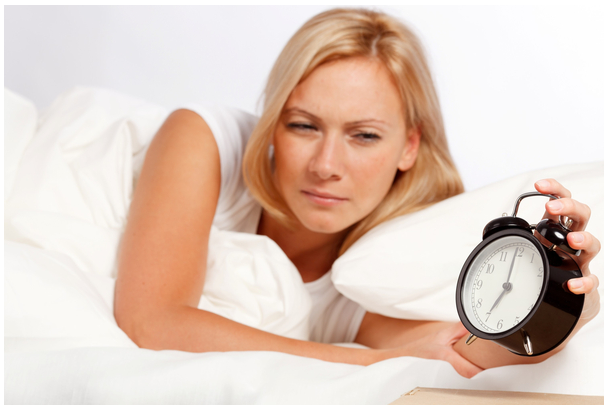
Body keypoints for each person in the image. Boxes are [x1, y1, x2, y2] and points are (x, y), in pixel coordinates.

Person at [113, 8, 600, 379]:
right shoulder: (204, 140)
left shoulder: (378, 272)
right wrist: (369, 361)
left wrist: (566, 303)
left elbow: (463, 351)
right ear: (272, 123)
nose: (325, 166)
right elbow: (152, 321)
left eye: (364, 136)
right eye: (303, 126)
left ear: (410, 145)